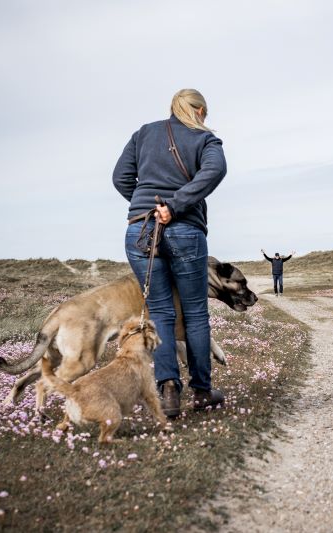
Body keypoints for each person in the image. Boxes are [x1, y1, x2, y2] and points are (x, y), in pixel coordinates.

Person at [113, 89, 227, 419]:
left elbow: (120, 177)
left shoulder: (144, 133)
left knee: (160, 312)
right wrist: (174, 206)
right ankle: (202, 391)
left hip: (140, 230)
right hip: (184, 230)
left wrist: (145, 204)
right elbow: (214, 171)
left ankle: (168, 391)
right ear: (201, 111)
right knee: (194, 312)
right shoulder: (206, 140)